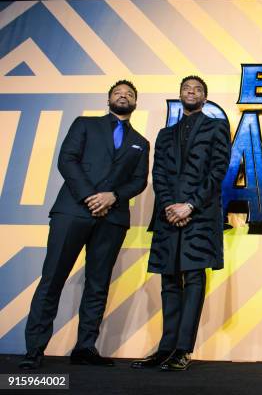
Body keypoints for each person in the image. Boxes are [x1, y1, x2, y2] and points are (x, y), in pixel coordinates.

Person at [19, 80, 150, 370]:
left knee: (98, 284)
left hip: (112, 219)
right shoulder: (84, 124)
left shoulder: (141, 141)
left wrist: (113, 196)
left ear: (135, 102)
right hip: (73, 211)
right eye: (118, 93)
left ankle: (85, 347)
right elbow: (67, 160)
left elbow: (139, 181)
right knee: (52, 279)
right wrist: (92, 196)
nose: (123, 96)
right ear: (108, 99)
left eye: (129, 94)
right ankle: (34, 350)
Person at [131, 75, 230, 371]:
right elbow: (158, 174)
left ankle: (183, 350)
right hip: (167, 217)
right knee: (169, 280)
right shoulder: (164, 134)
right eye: (187, 88)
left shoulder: (216, 128)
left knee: (195, 279)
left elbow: (218, 171)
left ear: (205, 97)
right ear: (180, 95)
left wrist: (189, 205)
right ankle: (165, 348)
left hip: (199, 216)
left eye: (198, 89)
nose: (192, 92)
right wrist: (168, 207)